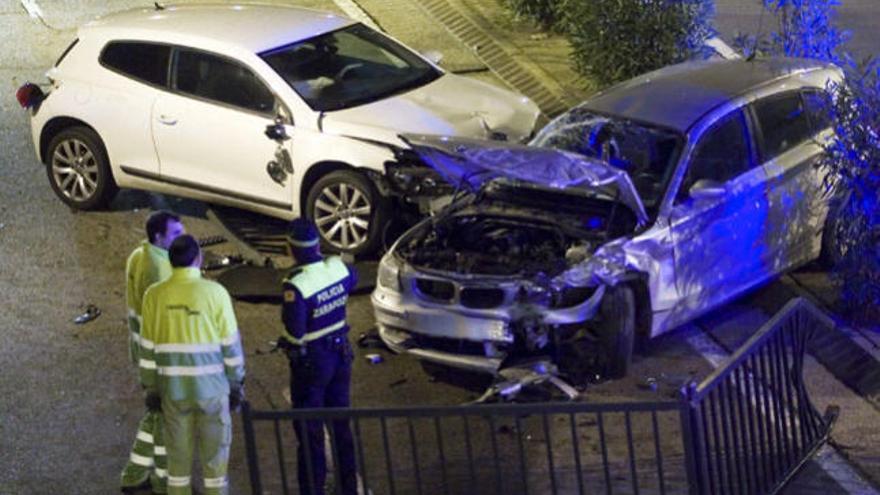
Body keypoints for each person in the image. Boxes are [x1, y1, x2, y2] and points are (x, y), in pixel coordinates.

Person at [139, 235, 245, 495]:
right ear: (198, 259)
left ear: (171, 261)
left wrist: (151, 388)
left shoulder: (154, 296)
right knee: (215, 466)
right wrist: (235, 382)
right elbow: (230, 346)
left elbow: (147, 348)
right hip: (212, 392)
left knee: (177, 467)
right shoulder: (216, 293)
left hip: (174, 393)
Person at [278, 218, 358, 495]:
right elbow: (352, 281)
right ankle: (348, 487)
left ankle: (313, 489)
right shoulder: (337, 267)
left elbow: (295, 331)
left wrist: (287, 343)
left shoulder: (295, 284)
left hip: (313, 363)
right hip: (341, 355)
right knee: (341, 426)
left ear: (291, 248)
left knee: (310, 431)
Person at [121, 210, 184, 494]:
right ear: (159, 237)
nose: (183, 239)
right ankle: (162, 480)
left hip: (145, 352)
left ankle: (134, 476)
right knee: (167, 422)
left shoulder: (140, 254)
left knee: (155, 416)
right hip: (159, 359)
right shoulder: (158, 271)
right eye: (176, 235)